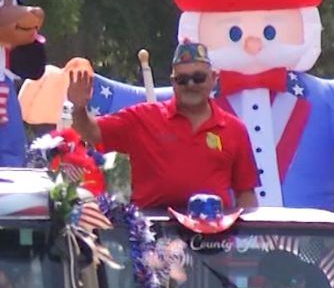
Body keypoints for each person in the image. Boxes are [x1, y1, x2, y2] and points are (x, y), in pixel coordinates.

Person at [68, 41, 259, 210]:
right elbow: (90, 132)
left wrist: (249, 243)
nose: (190, 84)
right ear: (173, 83)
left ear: (213, 78)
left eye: (198, 78)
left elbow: (246, 194)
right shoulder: (142, 118)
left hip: (215, 239)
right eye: (182, 80)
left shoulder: (235, 129)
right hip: (154, 233)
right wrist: (78, 109)